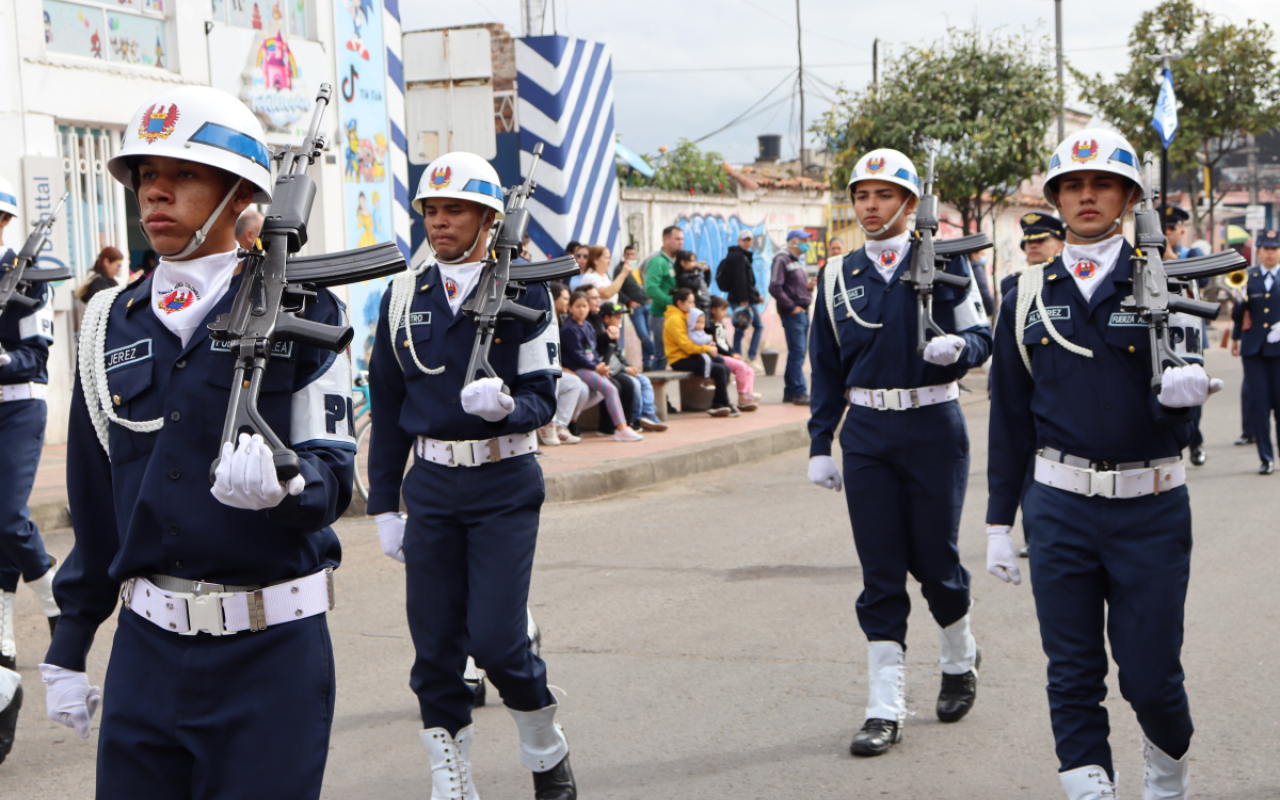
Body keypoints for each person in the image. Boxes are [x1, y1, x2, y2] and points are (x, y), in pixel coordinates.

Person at [43, 85, 355, 798]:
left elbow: (333, 471)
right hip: (145, 653)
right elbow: (96, 510)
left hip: (270, 653)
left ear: (240, 192)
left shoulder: (304, 311)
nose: (155, 191)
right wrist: (71, 641)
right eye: (146, 175)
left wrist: (289, 485)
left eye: (183, 174)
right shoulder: (107, 324)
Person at [986, 129, 1218, 800]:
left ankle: (1167, 771)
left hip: (1151, 507)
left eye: (1103, 184)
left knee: (1150, 678)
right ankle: (1091, 789)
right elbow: (1009, 417)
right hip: (1058, 507)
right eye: (1073, 185)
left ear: (1127, 196)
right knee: (1073, 669)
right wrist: (1001, 520)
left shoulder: (1167, 283)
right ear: (1057, 198)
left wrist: (1185, 403)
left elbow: (1185, 405)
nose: (1087, 196)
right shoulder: (1026, 293)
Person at [368, 150, 578, 799]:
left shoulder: (524, 290)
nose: (439, 222)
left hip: (504, 483)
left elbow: (546, 392)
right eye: (431, 210)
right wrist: (383, 504)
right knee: (434, 647)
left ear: (489, 218)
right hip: (431, 484)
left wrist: (514, 407)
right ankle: (450, 779)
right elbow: (389, 403)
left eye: (454, 209)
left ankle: (545, 749)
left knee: (496, 641)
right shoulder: (403, 295)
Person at [807, 148, 991, 759]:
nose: (870, 206)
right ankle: (884, 707)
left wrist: (957, 352)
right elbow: (826, 367)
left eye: (884, 195)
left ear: (910, 205)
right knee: (881, 572)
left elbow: (982, 335)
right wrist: (820, 444)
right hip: (867, 434)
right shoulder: (836, 276)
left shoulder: (950, 265)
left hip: (934, 425)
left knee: (936, 563)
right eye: (862, 195)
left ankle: (959, 653)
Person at [0, 174, 62, 764]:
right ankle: (2, 639)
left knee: (8, 515)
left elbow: (34, 359)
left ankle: (54, 603)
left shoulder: (26, 280)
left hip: (17, 410)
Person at [561, 290, 644, 442]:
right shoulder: (569, 329)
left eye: (585, 306)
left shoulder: (587, 325)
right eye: (578, 306)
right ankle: (621, 428)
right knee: (610, 388)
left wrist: (599, 365)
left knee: (602, 391)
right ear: (570, 307)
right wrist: (595, 368)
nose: (582, 309)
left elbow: (592, 351)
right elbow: (577, 356)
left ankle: (622, 426)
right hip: (577, 368)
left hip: (590, 366)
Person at [1231, 229, 1280, 474]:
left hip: (1279, 349)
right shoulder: (1249, 277)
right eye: (1266, 249)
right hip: (1254, 349)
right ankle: (1266, 458)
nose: (1270, 253)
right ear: (1258, 252)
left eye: (1274, 248)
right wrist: (1239, 300)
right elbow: (1239, 317)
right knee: (1259, 404)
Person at [664, 287, 733, 416]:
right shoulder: (675, 319)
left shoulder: (686, 316)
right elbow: (686, 346)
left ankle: (718, 403)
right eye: (690, 302)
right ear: (680, 303)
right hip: (679, 359)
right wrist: (707, 349)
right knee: (719, 370)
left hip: (693, 355)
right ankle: (722, 403)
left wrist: (707, 342)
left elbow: (696, 337)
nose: (693, 305)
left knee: (725, 367)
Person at [598, 301, 666, 430]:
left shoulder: (614, 333)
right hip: (613, 371)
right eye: (617, 318)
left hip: (621, 369)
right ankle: (635, 419)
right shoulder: (603, 335)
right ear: (606, 319)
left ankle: (648, 415)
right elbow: (608, 359)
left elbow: (619, 355)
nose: (620, 321)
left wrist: (630, 367)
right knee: (633, 384)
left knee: (644, 380)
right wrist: (625, 369)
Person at [770, 229, 816, 404]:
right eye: (804, 240)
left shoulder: (797, 261)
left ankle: (791, 391)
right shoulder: (782, 258)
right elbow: (775, 287)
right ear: (794, 241)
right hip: (793, 313)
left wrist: (808, 286)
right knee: (797, 352)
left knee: (798, 352)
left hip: (802, 310)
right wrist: (791, 307)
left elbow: (793, 286)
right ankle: (797, 391)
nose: (807, 244)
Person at [715, 230, 764, 365]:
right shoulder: (738, 257)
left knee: (740, 328)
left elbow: (748, 280)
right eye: (744, 240)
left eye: (749, 240)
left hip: (744, 298)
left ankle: (738, 357)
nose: (747, 242)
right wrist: (744, 300)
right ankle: (749, 357)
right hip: (742, 299)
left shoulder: (743, 256)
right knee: (757, 326)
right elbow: (740, 279)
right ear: (739, 241)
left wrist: (757, 295)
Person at [707, 296, 759, 411]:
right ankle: (742, 396)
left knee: (749, 370)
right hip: (720, 356)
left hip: (727, 355)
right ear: (713, 310)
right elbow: (718, 347)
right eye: (722, 310)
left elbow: (725, 343)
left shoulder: (721, 325)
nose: (725, 313)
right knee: (740, 367)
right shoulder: (710, 327)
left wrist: (734, 353)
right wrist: (731, 355)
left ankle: (748, 394)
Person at [643, 225, 684, 370]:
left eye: (682, 239)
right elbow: (651, 289)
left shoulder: (677, 261)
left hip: (676, 316)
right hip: (661, 316)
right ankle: (654, 391)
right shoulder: (658, 262)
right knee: (661, 356)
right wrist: (672, 302)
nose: (681, 242)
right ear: (665, 239)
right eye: (677, 239)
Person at [1001, 213, 1066, 299]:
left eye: (1040, 240)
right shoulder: (1011, 283)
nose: (1033, 245)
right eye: (1028, 241)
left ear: (1059, 246)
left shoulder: (1068, 278)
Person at [614, 245, 654, 370]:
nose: (630, 257)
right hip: (635, 307)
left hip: (647, 304)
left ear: (636, 255)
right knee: (643, 335)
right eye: (628, 254)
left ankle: (647, 363)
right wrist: (629, 301)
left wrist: (650, 295)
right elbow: (617, 289)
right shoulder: (620, 269)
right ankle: (658, 354)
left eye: (633, 254)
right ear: (624, 256)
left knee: (648, 333)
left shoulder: (640, 268)